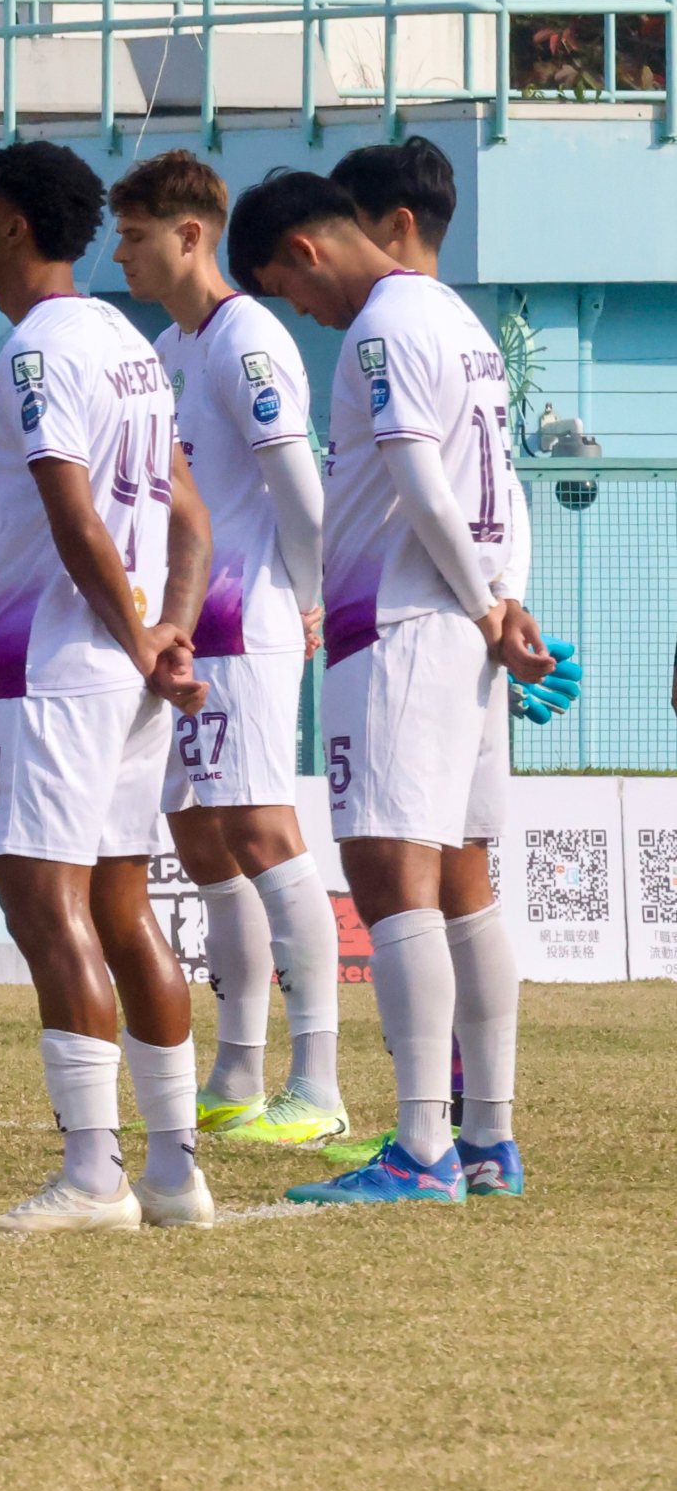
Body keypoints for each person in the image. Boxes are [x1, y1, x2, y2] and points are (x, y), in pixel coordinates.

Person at [250, 142, 549, 1204]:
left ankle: (423, 1147)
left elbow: (421, 478)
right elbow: (501, 487)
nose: (308, 313)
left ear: (304, 247)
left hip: (404, 624)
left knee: (387, 873)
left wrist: (478, 604)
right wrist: (504, 605)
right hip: (464, 627)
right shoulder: (465, 324)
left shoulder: (380, 325)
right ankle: (488, 1138)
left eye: (291, 290)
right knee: (465, 881)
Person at [0, 140, 219, 1236]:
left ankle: (91, 1174)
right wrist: (172, 635)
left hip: (53, 669)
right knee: (122, 905)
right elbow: (192, 518)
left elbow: (72, 518)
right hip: (131, 676)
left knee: (46, 907)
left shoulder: (37, 350)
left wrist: (136, 629)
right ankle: (175, 1171)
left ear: (16, 226)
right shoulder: (126, 342)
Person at [111, 154, 351, 1149]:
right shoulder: (171, 345)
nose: (119, 252)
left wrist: (314, 593)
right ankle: (240, 1068)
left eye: (133, 235)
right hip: (181, 631)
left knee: (261, 832)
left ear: (190, 235)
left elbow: (297, 483)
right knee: (204, 842)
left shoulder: (247, 336)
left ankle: (321, 1080)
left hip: (246, 622)